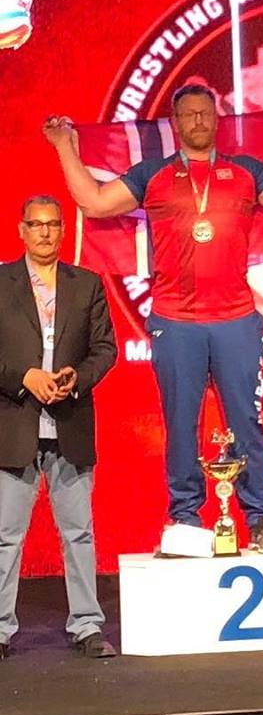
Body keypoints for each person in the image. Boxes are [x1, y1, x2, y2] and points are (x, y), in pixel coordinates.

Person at [44, 85, 263, 553]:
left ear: (216, 120)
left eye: (205, 114)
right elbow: (94, 203)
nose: (198, 121)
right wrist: (64, 147)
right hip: (175, 321)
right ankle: (185, 518)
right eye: (189, 115)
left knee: (246, 423)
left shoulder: (244, 171)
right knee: (180, 422)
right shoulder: (153, 174)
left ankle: (262, 521)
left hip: (236, 319)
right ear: (175, 123)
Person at [0, 196, 117, 658]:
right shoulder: (1, 282)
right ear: (21, 230)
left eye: (53, 224)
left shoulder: (85, 284)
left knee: (79, 532)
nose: (45, 232)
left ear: (63, 230)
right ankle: (1, 629)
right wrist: (21, 378)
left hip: (68, 423)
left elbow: (105, 350)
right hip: (15, 425)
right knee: (6, 536)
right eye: (36, 224)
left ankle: (87, 626)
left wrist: (77, 379)